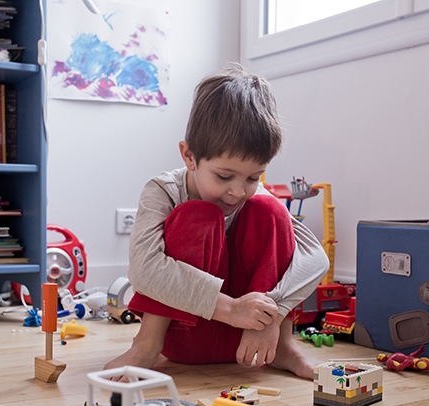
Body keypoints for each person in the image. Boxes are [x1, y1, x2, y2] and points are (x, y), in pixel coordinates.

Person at [103, 65, 330, 380]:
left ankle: (284, 347)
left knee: (270, 210)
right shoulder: (163, 190)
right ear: (189, 156)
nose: (238, 191)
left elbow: (315, 258)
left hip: (256, 340)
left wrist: (271, 316)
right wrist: (231, 310)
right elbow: (143, 269)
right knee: (195, 216)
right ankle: (146, 343)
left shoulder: (255, 197)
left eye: (253, 176)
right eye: (224, 176)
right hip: (186, 334)